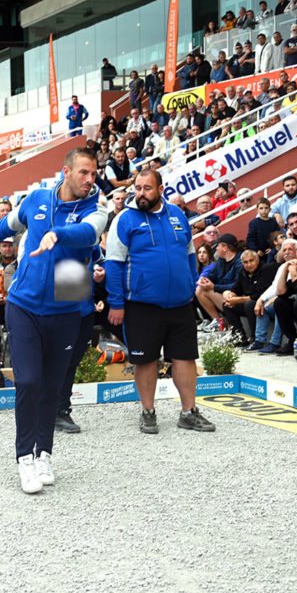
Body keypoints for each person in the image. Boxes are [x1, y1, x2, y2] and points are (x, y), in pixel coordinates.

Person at [0, 147, 109, 494]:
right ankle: (24, 458)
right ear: (66, 172)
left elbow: (89, 235)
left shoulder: (97, 207)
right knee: (29, 381)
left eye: (94, 173)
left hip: (68, 300)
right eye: (83, 173)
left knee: (52, 386)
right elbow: (7, 224)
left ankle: (43, 452)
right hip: (24, 303)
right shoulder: (36, 199)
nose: (89, 180)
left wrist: (59, 234)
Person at [105, 168, 214, 437]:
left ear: (161, 189)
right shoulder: (124, 220)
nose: (140, 194)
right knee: (146, 360)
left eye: (147, 188)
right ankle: (148, 412)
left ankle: (189, 412)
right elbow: (114, 264)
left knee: (185, 358)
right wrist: (116, 303)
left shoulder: (177, 215)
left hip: (179, 303)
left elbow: (190, 254)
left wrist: (191, 284)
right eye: (137, 188)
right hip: (142, 304)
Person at [221, 249, 278, 346]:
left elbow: (260, 294)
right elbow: (236, 289)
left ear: (257, 260)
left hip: (265, 303)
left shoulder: (266, 269)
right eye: (245, 262)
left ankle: (255, 338)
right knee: (227, 305)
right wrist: (229, 295)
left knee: (250, 304)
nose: (249, 264)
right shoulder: (243, 272)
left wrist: (238, 300)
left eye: (251, 261)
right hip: (249, 301)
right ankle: (239, 337)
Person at [195, 233, 243, 331]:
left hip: (236, 297)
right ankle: (218, 322)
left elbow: (237, 286)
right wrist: (204, 280)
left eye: (218, 246)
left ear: (225, 248)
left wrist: (214, 287)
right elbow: (212, 275)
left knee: (226, 293)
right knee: (199, 289)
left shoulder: (240, 262)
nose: (216, 249)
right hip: (222, 295)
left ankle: (226, 324)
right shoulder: (221, 261)